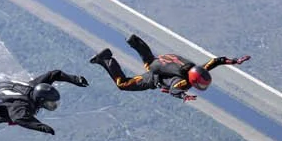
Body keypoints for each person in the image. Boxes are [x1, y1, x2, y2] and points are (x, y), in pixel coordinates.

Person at [89, 33, 249, 99]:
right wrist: (184, 96)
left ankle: (134, 41)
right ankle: (106, 59)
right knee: (123, 85)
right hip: (154, 75)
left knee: (149, 60)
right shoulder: (184, 82)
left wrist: (234, 61)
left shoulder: (196, 69)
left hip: (162, 61)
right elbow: (174, 90)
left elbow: (216, 61)